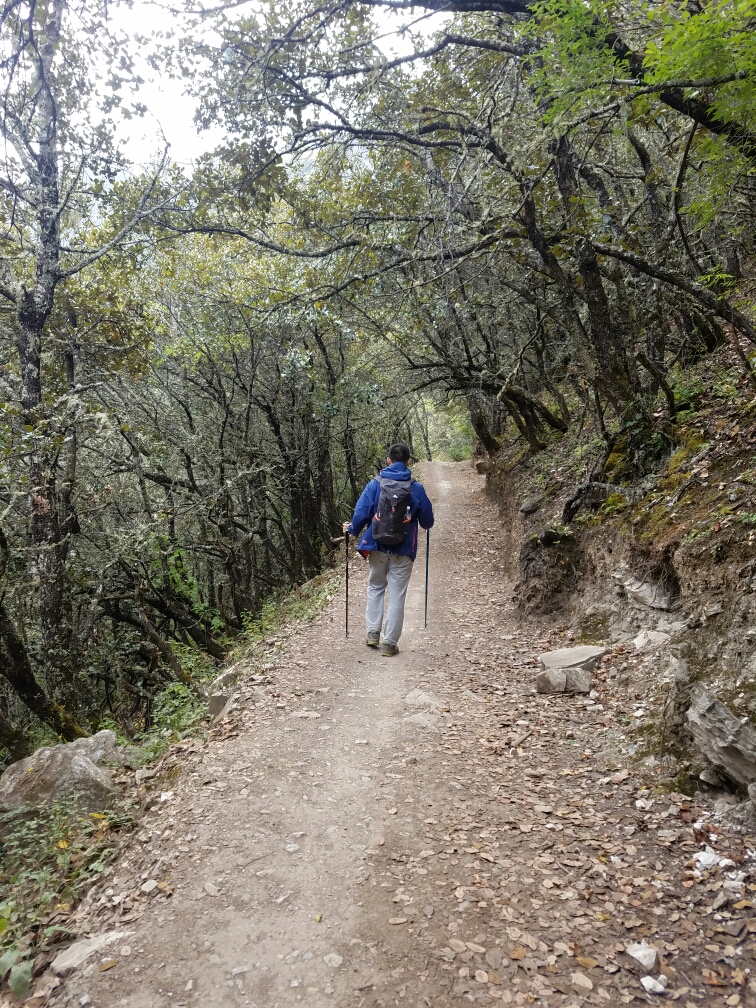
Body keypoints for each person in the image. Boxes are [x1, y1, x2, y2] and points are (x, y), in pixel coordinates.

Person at [342, 443, 434, 656]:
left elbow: (361, 513)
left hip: (377, 547)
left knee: (375, 587)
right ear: (409, 462)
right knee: (397, 596)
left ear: (388, 460)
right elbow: (427, 523)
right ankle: (389, 644)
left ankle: (373, 633)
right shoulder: (416, 488)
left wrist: (352, 530)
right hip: (404, 551)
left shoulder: (375, 484)